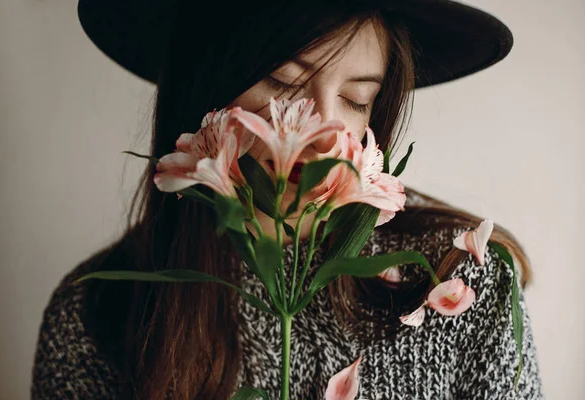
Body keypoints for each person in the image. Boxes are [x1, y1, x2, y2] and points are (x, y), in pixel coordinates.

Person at [31, 0, 545, 399]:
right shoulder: (95, 316)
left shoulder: (459, 281)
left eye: (355, 99)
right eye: (282, 81)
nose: (323, 135)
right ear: (204, 91)